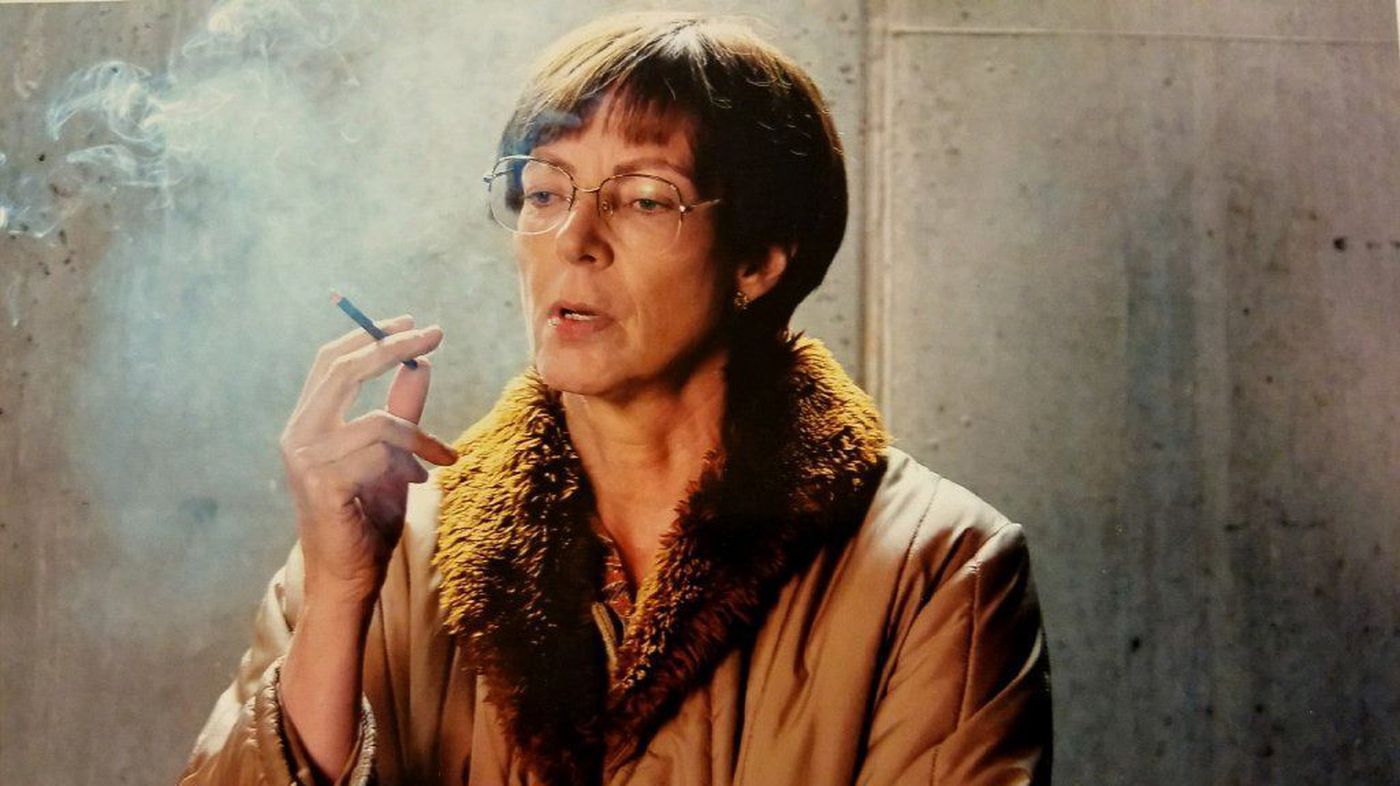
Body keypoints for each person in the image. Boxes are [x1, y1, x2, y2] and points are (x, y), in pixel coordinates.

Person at [179, 12, 1051, 786]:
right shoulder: (385, 541)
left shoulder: (939, 568)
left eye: (643, 199)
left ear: (757, 260)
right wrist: (339, 593)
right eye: (545, 192)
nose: (574, 239)